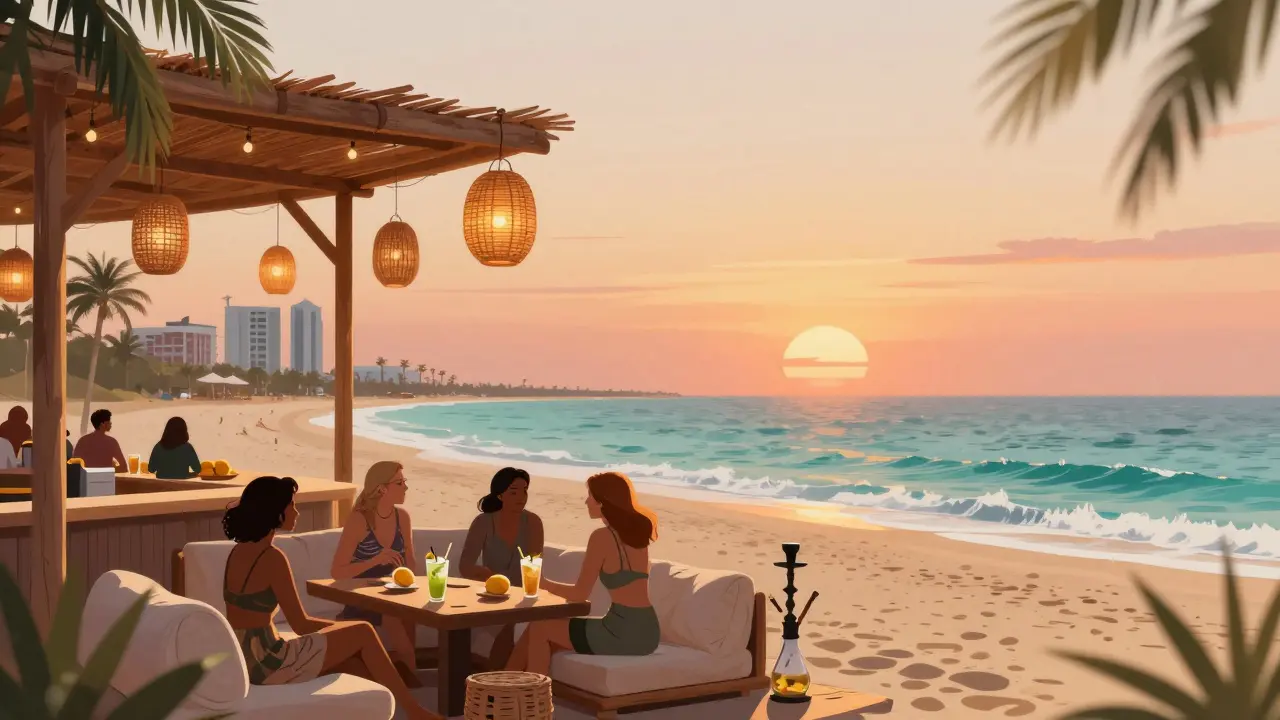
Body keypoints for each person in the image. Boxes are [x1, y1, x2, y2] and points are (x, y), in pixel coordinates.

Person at [222, 476, 439, 720]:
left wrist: (344, 638)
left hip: (242, 658)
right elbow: (301, 624)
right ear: (275, 511)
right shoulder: (272, 558)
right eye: (291, 505)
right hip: (269, 661)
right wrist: (347, 631)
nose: (296, 511)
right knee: (364, 632)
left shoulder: (236, 552)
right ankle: (416, 713)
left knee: (354, 665)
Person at [506, 471, 661, 675]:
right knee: (541, 631)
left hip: (621, 632)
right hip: (648, 631)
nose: (586, 501)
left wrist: (543, 583)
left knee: (540, 629)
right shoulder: (637, 536)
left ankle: (533, 702)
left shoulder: (602, 537)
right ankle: (503, 683)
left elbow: (580, 594)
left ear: (603, 502)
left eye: (590, 496)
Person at [331, 461, 420, 684]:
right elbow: (337, 571)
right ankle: (408, 684)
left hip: (393, 592)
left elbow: (411, 564)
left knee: (407, 612)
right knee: (393, 615)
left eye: (404, 482)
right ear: (381, 489)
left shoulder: (403, 518)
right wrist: (376, 560)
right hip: (362, 594)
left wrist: (405, 573)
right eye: (399, 483)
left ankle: (407, 679)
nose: (405, 488)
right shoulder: (360, 519)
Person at [460, 467, 544, 667]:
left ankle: (501, 683)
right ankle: (497, 683)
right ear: (500, 495)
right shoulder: (483, 522)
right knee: (508, 624)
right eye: (514, 491)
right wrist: (486, 575)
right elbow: (465, 566)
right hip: (492, 595)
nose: (521, 496)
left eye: (524, 491)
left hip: (524, 596)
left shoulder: (533, 522)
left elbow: (534, 565)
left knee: (515, 622)